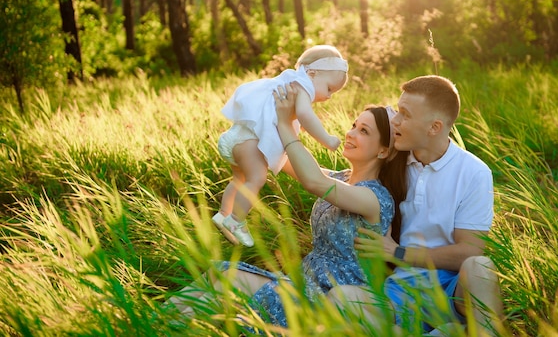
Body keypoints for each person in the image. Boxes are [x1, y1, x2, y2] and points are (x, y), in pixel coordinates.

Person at [166, 83, 409, 328]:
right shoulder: (341, 178)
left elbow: (314, 181)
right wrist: (272, 118)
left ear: (383, 152)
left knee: (222, 288)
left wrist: (285, 126)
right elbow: (281, 161)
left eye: (364, 131)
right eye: (354, 125)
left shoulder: (375, 198)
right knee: (217, 274)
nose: (351, 133)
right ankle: (148, 324)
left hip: (327, 297)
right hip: (303, 282)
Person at [327, 75, 504, 336]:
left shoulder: (474, 172)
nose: (395, 121)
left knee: (481, 268)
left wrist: (399, 253)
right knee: (341, 299)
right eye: (398, 111)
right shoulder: (393, 159)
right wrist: (281, 156)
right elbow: (343, 179)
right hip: (398, 297)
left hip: (452, 294)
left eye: (405, 115)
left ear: (434, 127)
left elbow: (470, 251)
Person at [213, 45, 349, 247]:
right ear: (312, 73)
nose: (329, 96)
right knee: (256, 178)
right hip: (249, 141)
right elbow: (305, 115)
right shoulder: (302, 86)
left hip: (239, 136)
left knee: (240, 178)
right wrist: (327, 139)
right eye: (329, 88)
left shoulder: (288, 81)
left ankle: (223, 213)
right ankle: (235, 221)